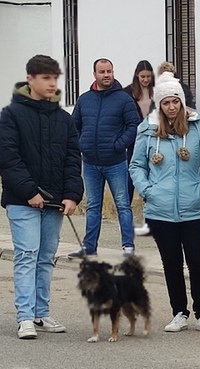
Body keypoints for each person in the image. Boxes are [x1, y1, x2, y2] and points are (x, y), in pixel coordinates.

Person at [0, 54, 83, 339]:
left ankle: (41, 312)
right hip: (23, 200)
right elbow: (8, 158)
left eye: (54, 78)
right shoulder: (10, 115)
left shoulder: (64, 118)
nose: (51, 83)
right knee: (26, 254)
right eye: (45, 77)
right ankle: (24, 316)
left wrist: (72, 195)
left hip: (54, 202)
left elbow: (73, 159)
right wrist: (29, 192)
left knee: (46, 257)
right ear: (31, 79)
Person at [129, 72, 200, 334]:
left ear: (181, 102)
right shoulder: (147, 129)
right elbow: (136, 165)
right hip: (160, 210)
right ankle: (179, 311)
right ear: (159, 104)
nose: (171, 107)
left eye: (175, 102)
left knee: (198, 262)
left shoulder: (198, 127)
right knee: (171, 263)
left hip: (195, 208)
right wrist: (148, 190)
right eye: (166, 103)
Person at [69, 58, 142, 258]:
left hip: (116, 162)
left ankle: (128, 246)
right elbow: (73, 126)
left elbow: (134, 126)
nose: (106, 75)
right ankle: (89, 247)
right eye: (102, 71)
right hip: (90, 163)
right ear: (95, 75)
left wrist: (118, 145)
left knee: (122, 205)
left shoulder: (124, 99)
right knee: (93, 206)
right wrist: (81, 145)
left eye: (109, 71)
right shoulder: (84, 99)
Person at [127, 60, 155, 237]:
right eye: (142, 76)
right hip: (134, 142)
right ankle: (127, 222)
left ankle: (150, 221)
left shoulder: (157, 92)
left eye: (148, 77)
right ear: (137, 75)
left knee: (151, 180)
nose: (145, 80)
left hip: (153, 139)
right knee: (131, 180)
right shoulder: (127, 92)